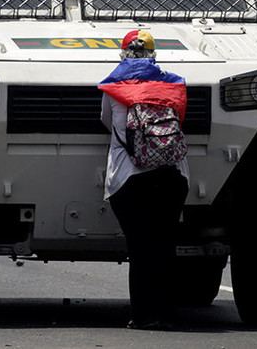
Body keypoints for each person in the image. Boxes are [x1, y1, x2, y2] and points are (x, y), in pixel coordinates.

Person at [98, 30, 189, 331]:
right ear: (154, 55)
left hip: (129, 178)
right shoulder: (172, 85)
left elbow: (107, 122)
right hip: (172, 175)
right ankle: (168, 314)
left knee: (141, 250)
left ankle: (144, 316)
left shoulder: (113, 88)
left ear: (123, 54)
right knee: (166, 246)